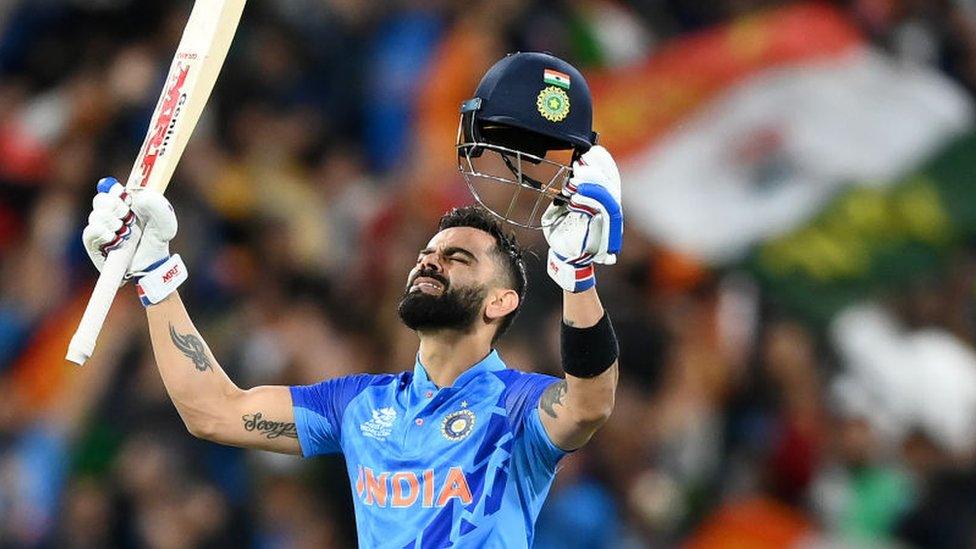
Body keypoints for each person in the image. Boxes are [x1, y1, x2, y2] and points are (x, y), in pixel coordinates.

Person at [81, 52, 623, 547]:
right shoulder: (361, 406)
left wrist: (579, 276)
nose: (430, 260)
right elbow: (215, 412)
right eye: (428, 253)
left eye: (458, 259)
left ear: (500, 302)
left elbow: (589, 403)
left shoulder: (516, 407)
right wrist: (153, 272)